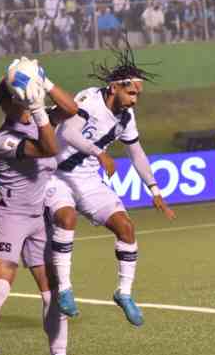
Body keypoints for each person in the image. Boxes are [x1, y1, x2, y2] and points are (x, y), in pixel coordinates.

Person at [0, 65, 84, 355]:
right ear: (11, 104)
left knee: (53, 291)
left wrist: (46, 81)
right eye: (23, 99)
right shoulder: (4, 138)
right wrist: (37, 108)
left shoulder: (37, 115)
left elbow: (74, 109)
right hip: (10, 216)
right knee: (1, 285)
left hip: (38, 216)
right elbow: (49, 149)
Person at [46, 46, 176, 325]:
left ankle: (124, 293)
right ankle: (65, 289)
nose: (135, 99)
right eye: (131, 93)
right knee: (66, 219)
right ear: (115, 87)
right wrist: (99, 152)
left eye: (138, 94)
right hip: (55, 175)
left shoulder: (126, 117)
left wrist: (154, 189)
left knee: (125, 227)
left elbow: (136, 152)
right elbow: (68, 133)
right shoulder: (89, 100)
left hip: (89, 179)